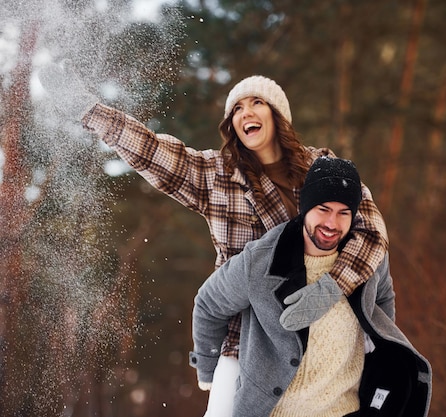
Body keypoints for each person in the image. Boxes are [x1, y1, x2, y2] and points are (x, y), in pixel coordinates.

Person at [39, 64, 389, 416]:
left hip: (329, 330)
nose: (245, 112)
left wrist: (330, 290)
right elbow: (150, 150)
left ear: (279, 115)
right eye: (237, 108)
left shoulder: (321, 167)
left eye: (256, 103)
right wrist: (91, 111)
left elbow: (372, 234)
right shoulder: (217, 176)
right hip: (246, 341)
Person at [190, 157, 431, 417]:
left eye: (343, 213)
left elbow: (383, 297)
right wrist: (207, 368)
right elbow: (208, 304)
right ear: (305, 207)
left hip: (344, 411)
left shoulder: (368, 259)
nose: (331, 223)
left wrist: (379, 350)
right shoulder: (261, 260)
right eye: (323, 209)